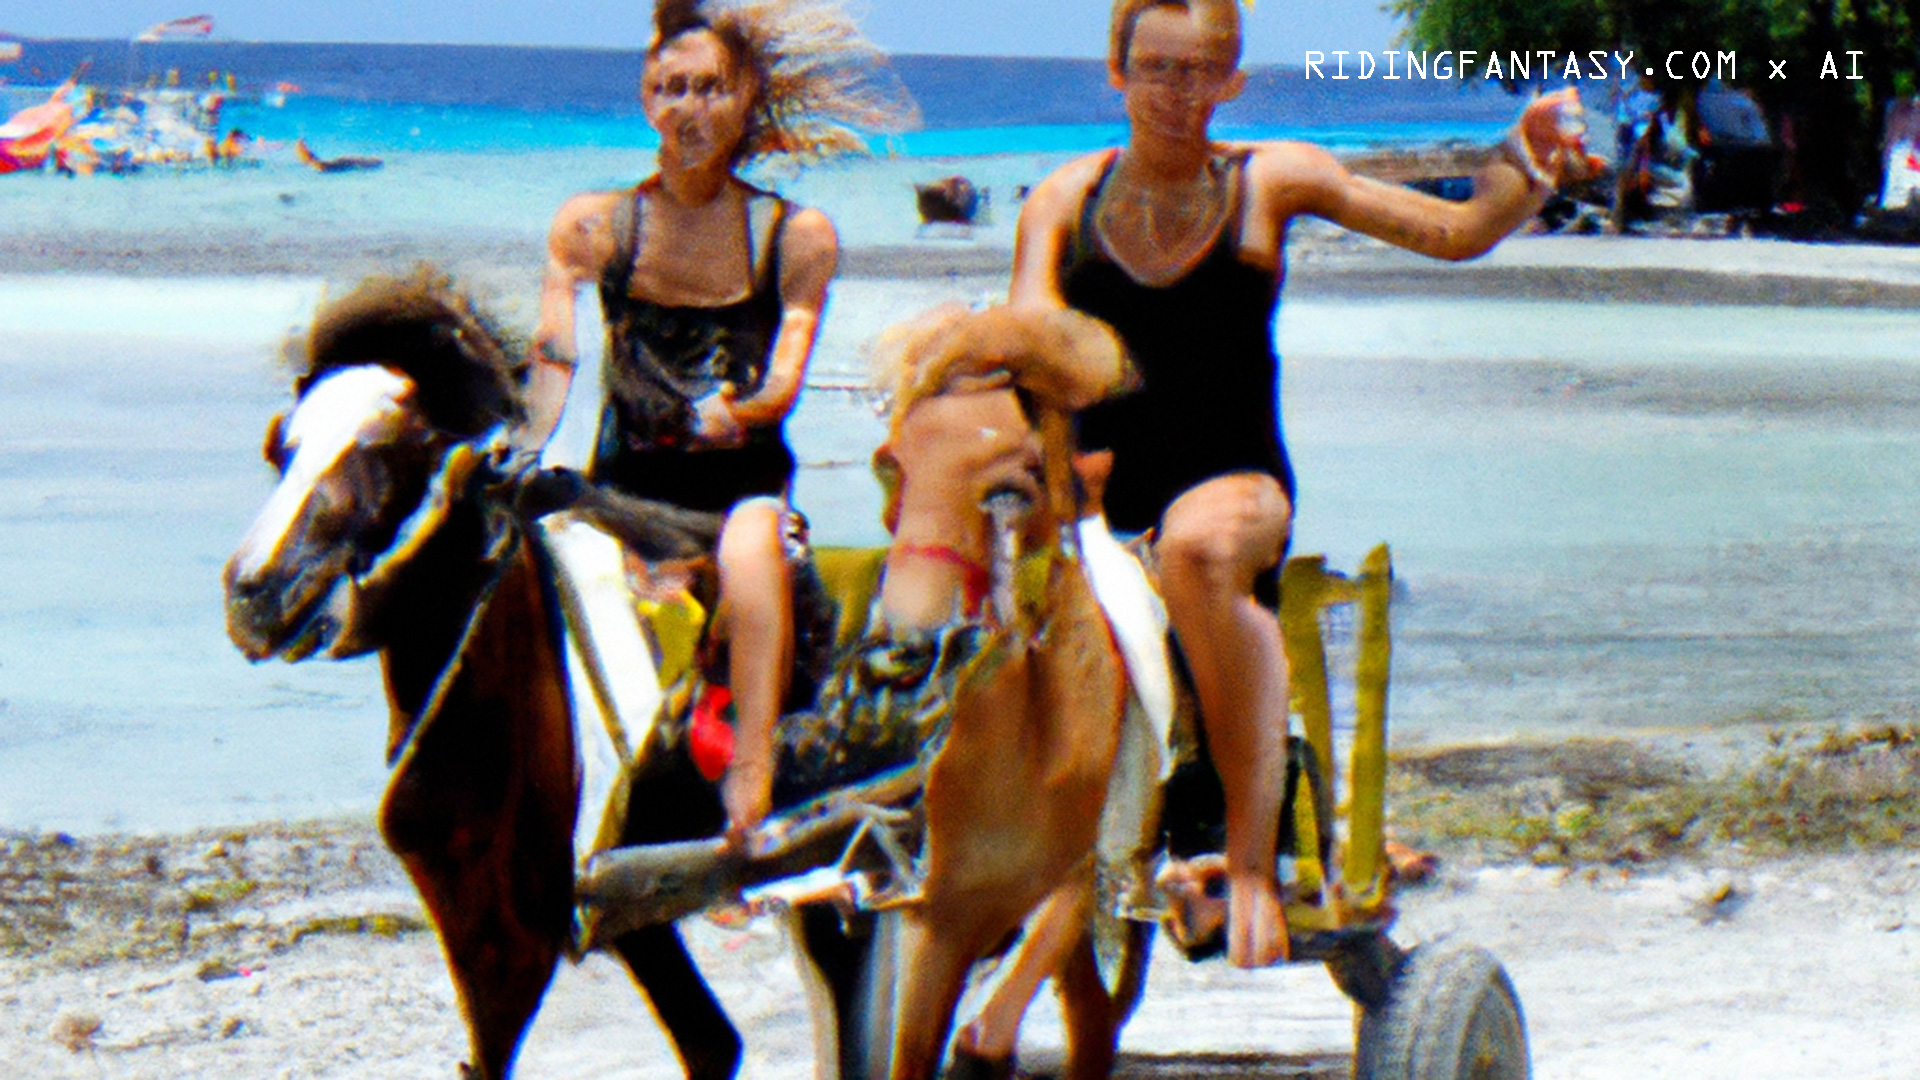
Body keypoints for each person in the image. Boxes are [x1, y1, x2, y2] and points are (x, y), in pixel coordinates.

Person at [1009, 0, 1597, 968]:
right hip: (1098, 490)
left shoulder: (1270, 178)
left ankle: (1249, 858)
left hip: (1231, 476)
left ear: (1231, 80)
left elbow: (1454, 230)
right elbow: (1027, 341)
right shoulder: (1062, 200)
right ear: (1116, 74)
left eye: (1198, 70)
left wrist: (1524, 162)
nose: (1175, 91)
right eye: (1154, 68)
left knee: (1197, 549)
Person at [521, 0, 912, 846]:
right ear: (645, 98)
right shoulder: (595, 225)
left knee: (751, 549)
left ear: (746, 100)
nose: (689, 108)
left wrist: (735, 415)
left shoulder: (792, 234)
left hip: (741, 496)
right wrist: (520, 443)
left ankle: (752, 770)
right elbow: (556, 355)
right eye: (671, 89)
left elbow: (782, 384)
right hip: (622, 492)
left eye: (710, 89)